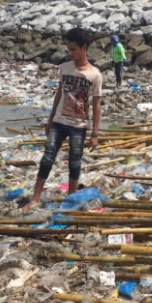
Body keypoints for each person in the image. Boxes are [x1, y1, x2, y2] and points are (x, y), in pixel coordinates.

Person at [23, 28, 102, 212]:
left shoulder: (95, 75)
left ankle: (70, 198)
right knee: (47, 159)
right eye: (68, 49)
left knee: (75, 163)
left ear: (84, 48)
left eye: (74, 49)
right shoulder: (65, 68)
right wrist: (50, 120)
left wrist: (95, 134)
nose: (70, 53)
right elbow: (59, 94)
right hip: (59, 123)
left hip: (79, 126)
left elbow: (97, 105)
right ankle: (35, 198)